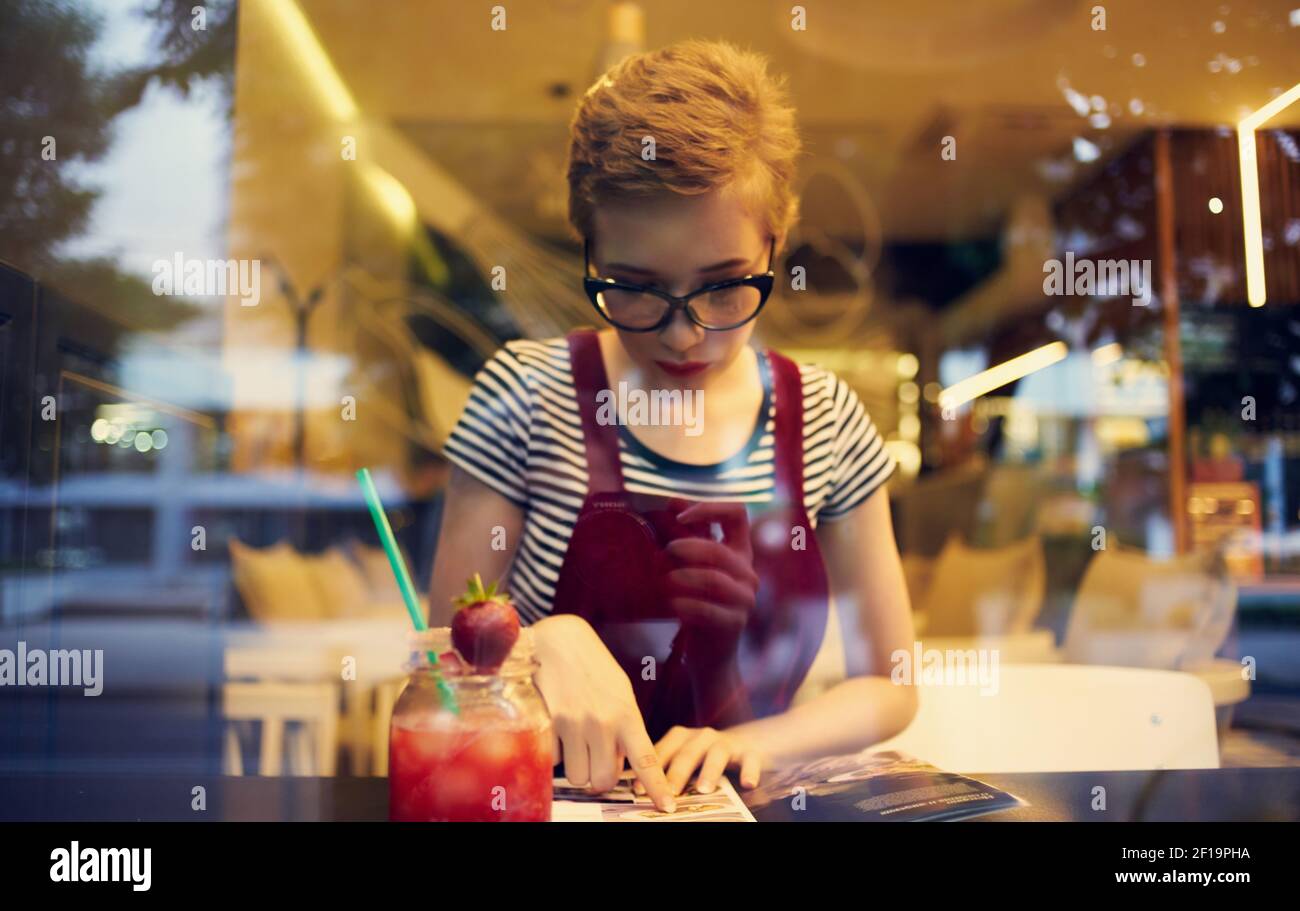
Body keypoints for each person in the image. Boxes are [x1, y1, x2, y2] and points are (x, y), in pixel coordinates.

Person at [430, 39, 915, 814]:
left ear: (774, 245)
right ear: (588, 251)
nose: (685, 335)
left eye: (725, 288)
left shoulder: (825, 419)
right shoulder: (525, 395)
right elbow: (445, 660)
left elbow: (889, 685)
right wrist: (537, 644)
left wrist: (758, 741)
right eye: (634, 287)